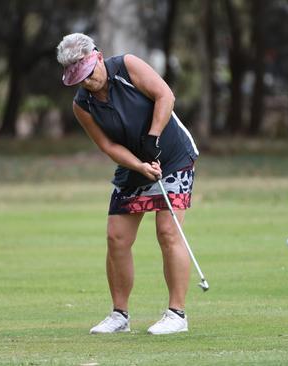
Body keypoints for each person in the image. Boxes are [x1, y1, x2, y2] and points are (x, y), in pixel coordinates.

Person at [56, 33, 199, 335]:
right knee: (116, 237)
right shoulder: (82, 104)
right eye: (79, 79)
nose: (88, 83)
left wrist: (152, 137)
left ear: (98, 56)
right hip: (133, 165)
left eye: (89, 74)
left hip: (173, 155)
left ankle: (177, 314)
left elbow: (165, 96)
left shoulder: (127, 67)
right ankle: (120, 315)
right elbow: (108, 146)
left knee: (167, 231)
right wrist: (139, 164)